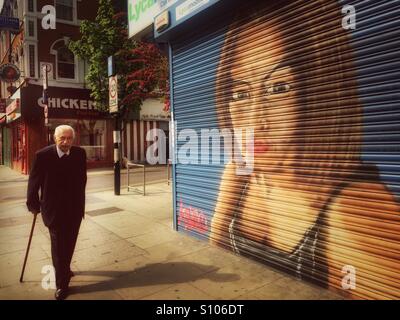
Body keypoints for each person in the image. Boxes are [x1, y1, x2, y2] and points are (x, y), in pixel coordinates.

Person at [209, 0, 400, 299]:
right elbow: (216, 254)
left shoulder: (353, 210)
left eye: (279, 88)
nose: (255, 121)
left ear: (321, 89)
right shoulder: (240, 172)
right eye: (241, 93)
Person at [27, 125, 87, 300]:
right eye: (62, 138)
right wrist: (33, 204)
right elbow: (34, 183)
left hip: (75, 209)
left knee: (70, 243)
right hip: (54, 211)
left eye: (69, 138)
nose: (66, 142)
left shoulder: (79, 153)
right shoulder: (43, 156)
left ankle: (65, 269)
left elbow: (82, 179)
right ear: (55, 138)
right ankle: (62, 284)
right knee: (59, 248)